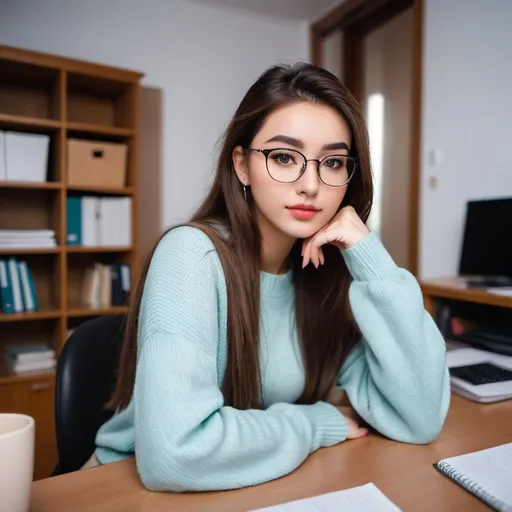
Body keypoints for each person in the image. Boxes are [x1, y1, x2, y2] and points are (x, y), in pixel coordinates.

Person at [89, 63, 450, 491]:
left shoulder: (328, 275)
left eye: (332, 162)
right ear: (241, 165)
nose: (311, 185)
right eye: (283, 157)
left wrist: (370, 256)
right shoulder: (192, 255)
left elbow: (420, 417)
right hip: (121, 492)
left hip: (246, 483)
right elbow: (175, 454)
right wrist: (316, 423)